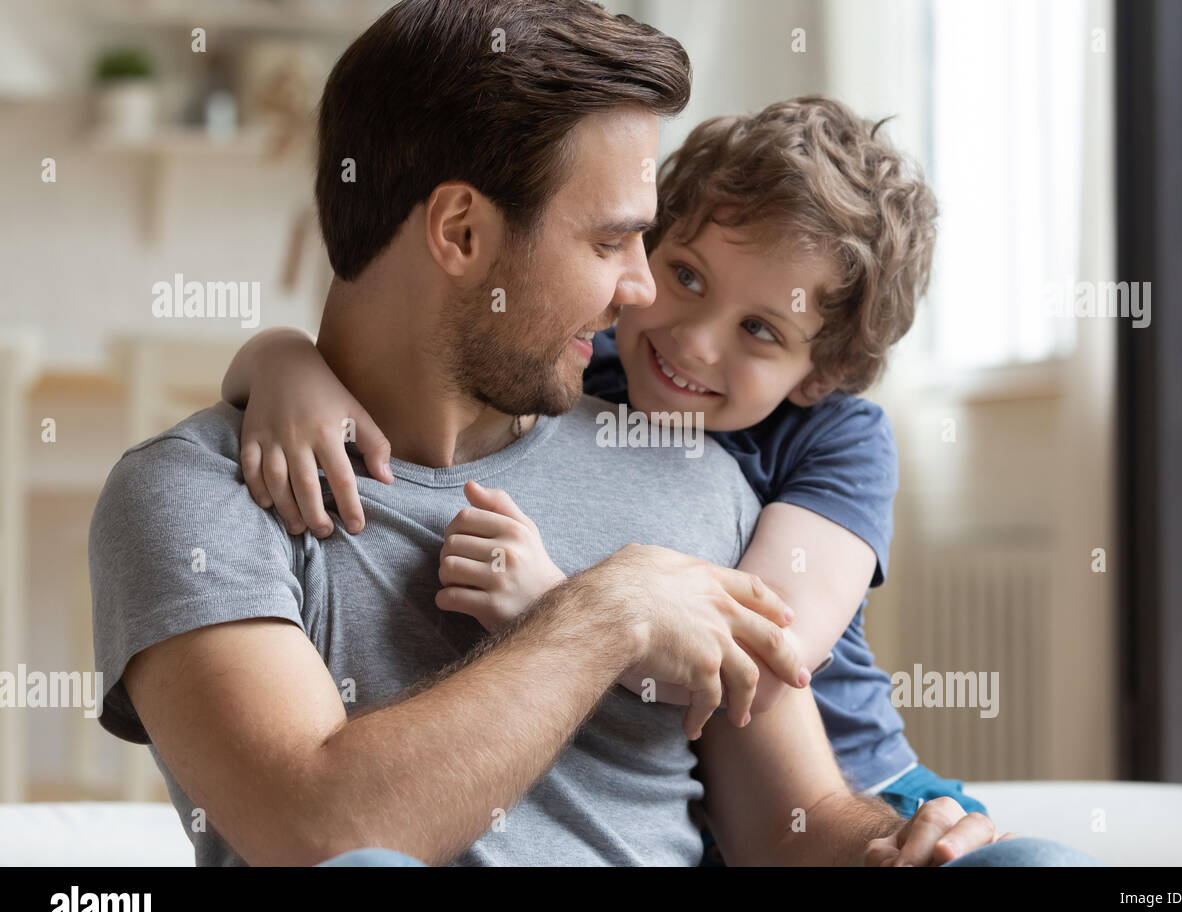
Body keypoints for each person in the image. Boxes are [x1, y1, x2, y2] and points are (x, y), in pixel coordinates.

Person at [89, 0, 1097, 867]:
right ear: (461, 233)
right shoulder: (196, 495)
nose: (643, 289)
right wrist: (607, 610)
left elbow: (795, 827)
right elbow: (315, 827)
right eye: (613, 239)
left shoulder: (695, 472)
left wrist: (905, 842)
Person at [221, 95, 986, 834]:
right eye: (687, 276)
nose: (694, 341)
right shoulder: (594, 367)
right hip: (693, 807)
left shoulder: (838, 439)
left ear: (821, 375)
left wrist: (552, 606)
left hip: (858, 801)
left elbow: (756, 653)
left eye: (759, 328)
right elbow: (396, 362)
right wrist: (282, 357)